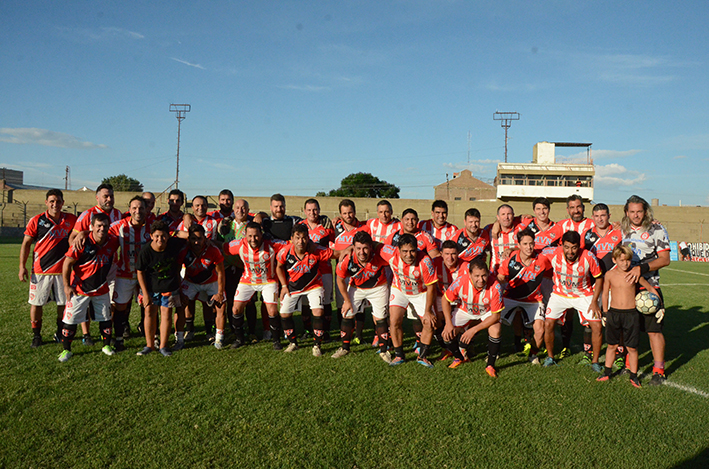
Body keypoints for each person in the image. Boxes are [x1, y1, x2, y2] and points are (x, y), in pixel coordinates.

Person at [621, 195, 671, 385]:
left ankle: (659, 370)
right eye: (632, 211)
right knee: (629, 329)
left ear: (645, 211)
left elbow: (665, 259)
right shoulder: (622, 229)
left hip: (649, 287)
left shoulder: (656, 229)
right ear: (627, 212)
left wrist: (641, 268)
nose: (636, 215)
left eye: (639, 211)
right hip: (627, 288)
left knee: (653, 330)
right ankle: (629, 365)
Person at [19, 189, 77, 347]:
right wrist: (21, 266)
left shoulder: (71, 219)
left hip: (63, 271)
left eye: (58, 201)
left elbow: (81, 232)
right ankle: (36, 335)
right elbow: (26, 244)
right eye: (52, 201)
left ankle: (59, 332)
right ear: (46, 203)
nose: (55, 204)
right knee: (36, 303)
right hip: (40, 271)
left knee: (63, 304)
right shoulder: (37, 220)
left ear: (63, 203)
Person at [58, 213, 119, 362]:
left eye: (105, 226)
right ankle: (66, 350)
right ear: (91, 227)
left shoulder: (113, 241)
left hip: (101, 288)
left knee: (105, 318)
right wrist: (66, 286)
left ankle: (106, 346)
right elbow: (67, 263)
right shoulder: (82, 242)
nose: (102, 229)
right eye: (98, 226)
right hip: (79, 289)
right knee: (70, 321)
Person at [597, 245, 658, 388]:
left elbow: (650, 288)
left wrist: (659, 305)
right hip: (614, 314)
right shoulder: (610, 275)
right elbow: (605, 294)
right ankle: (606, 372)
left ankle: (634, 376)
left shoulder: (634, 274)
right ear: (614, 260)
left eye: (628, 260)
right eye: (622, 260)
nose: (625, 263)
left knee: (632, 348)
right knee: (612, 345)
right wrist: (605, 312)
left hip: (631, 314)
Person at [543, 231, 603, 371]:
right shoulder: (553, 252)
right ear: (561, 245)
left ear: (579, 246)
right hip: (560, 294)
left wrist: (594, 301)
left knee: (597, 326)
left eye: (574, 247)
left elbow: (599, 278)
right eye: (567, 247)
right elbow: (532, 250)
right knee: (548, 323)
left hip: (583, 295)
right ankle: (550, 357)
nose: (570, 251)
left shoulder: (588, 257)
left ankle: (595, 362)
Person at [224, 222, 287, 350]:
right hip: (248, 280)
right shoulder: (240, 244)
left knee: (272, 311)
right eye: (250, 236)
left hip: (268, 281)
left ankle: (276, 341)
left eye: (256, 236)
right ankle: (239, 339)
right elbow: (223, 247)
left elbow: (291, 245)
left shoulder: (272, 245)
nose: (253, 239)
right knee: (235, 309)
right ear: (245, 235)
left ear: (261, 234)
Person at [276, 224, 336, 356]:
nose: (300, 241)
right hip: (292, 287)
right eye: (297, 238)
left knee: (318, 311)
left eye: (303, 238)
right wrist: (284, 286)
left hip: (314, 285)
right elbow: (279, 267)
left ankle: (317, 345)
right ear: (292, 238)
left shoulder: (316, 250)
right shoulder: (285, 251)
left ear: (308, 238)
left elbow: (335, 254)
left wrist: (349, 250)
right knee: (284, 313)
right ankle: (293, 343)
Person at [379, 234, 438, 368]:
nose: (409, 255)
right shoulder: (390, 254)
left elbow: (431, 287)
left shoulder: (425, 261)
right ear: (398, 250)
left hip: (420, 292)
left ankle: (422, 356)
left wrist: (428, 311)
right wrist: (349, 249)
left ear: (417, 249)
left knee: (429, 323)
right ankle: (399, 355)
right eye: (405, 251)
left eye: (412, 251)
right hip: (399, 289)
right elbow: (376, 245)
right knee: (394, 322)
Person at [332, 231, 391, 361]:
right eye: (358, 248)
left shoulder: (380, 255)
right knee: (347, 313)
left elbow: (395, 257)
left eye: (365, 248)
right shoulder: (347, 259)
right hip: (356, 288)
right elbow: (340, 280)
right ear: (353, 248)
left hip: (378, 288)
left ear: (371, 247)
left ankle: (384, 350)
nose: (362, 252)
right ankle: (345, 348)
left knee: (381, 317)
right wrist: (347, 300)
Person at [441, 257, 504, 376]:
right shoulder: (460, 281)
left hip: (486, 312)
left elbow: (496, 316)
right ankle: (459, 357)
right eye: (477, 276)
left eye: (484, 275)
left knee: (496, 329)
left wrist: (472, 330)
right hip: (465, 310)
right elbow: (445, 299)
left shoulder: (495, 286)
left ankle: (490, 365)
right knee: (446, 335)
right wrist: (448, 324)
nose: (481, 279)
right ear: (469, 274)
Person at [496, 229, 550, 365]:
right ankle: (494, 351)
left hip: (534, 300)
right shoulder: (511, 259)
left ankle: (533, 354)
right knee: (494, 321)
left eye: (531, 243)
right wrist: (501, 278)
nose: (529, 247)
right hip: (510, 296)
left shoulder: (542, 259)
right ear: (518, 245)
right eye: (525, 244)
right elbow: (500, 276)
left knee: (540, 329)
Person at [136, 220, 187, 357]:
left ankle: (163, 346)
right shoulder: (146, 251)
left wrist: (177, 232)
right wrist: (145, 293)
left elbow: (190, 237)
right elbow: (140, 271)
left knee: (166, 315)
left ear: (168, 236)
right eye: (157, 236)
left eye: (163, 236)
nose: (160, 239)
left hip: (170, 286)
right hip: (150, 288)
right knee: (149, 314)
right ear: (151, 236)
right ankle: (149, 345)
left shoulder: (174, 244)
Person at [582, 203, 624, 367]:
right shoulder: (587, 235)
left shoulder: (619, 233)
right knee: (590, 320)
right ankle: (588, 353)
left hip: (614, 284)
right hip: (593, 284)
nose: (600, 219)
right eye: (597, 216)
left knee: (616, 320)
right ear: (593, 217)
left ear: (609, 216)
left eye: (603, 215)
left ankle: (620, 354)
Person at [109, 195, 151, 351]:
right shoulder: (119, 226)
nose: (137, 211)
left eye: (141, 208)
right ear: (129, 210)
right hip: (124, 274)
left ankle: (151, 338)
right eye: (134, 208)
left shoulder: (152, 227)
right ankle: (119, 339)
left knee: (148, 306)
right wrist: (82, 233)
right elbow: (98, 230)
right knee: (120, 307)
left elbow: (172, 234)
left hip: (146, 275)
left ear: (146, 210)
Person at [180, 224, 226, 349]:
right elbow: (176, 270)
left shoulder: (213, 250)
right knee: (180, 303)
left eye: (199, 239)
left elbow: (221, 272)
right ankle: (180, 338)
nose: (196, 242)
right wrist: (179, 290)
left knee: (221, 305)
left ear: (205, 238)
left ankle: (218, 338)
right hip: (190, 281)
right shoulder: (184, 250)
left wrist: (220, 292)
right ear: (188, 239)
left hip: (211, 282)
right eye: (193, 239)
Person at [299, 199, 336, 341]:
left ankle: (325, 331)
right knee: (305, 302)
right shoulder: (300, 226)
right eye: (309, 210)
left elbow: (334, 244)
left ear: (319, 210)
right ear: (304, 211)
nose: (312, 213)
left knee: (326, 301)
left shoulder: (326, 226)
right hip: (305, 270)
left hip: (324, 268)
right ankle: (308, 330)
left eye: (314, 209)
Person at [332, 199, 366, 344]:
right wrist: (343, 252)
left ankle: (358, 335)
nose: (348, 216)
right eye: (345, 213)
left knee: (360, 305)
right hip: (341, 273)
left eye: (350, 212)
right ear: (340, 214)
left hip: (358, 273)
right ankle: (344, 334)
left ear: (355, 212)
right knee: (341, 304)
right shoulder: (335, 227)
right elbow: (330, 250)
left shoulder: (363, 228)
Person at [433, 240, 469, 362]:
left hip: (460, 299)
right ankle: (447, 348)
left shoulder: (466, 267)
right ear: (441, 254)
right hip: (441, 296)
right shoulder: (434, 263)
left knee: (463, 321)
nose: (450, 257)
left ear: (458, 253)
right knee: (436, 320)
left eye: (453, 254)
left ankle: (464, 347)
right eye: (447, 254)